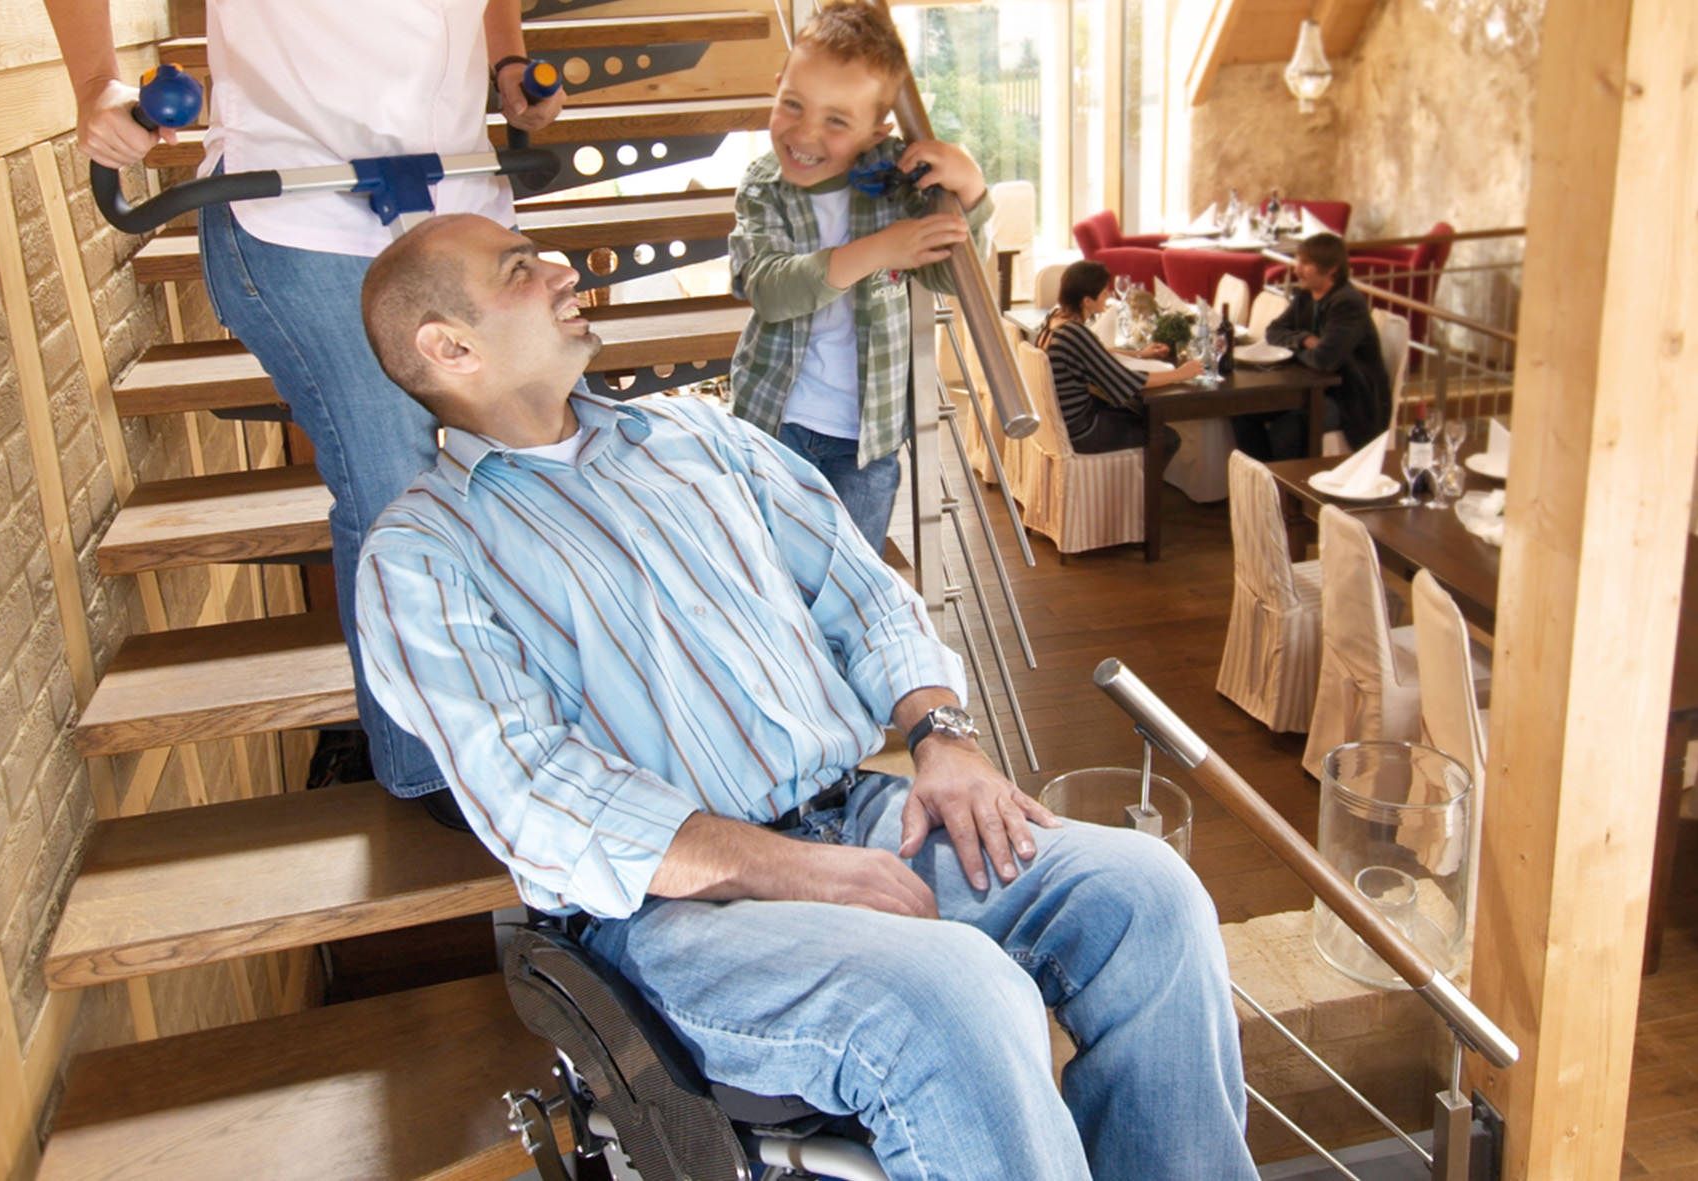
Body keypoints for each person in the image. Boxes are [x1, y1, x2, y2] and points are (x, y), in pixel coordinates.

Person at [351, 213, 1258, 1181]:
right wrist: (795, 870)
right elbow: (534, 795)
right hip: (679, 919)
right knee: (957, 994)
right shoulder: (423, 554)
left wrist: (940, 730)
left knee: (1148, 900)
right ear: (448, 346)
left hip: (865, 816)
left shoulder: (695, 434)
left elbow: (857, 586)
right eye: (520, 270)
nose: (565, 271)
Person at [42, 0, 566, 814]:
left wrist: (506, 64)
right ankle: (430, 767)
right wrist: (96, 82)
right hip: (297, 204)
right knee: (393, 475)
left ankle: (548, 713)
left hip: (456, 192)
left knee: (534, 463)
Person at [727, 1, 993, 553]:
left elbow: (950, 274)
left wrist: (971, 190)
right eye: (793, 105)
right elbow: (771, 290)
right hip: (774, 426)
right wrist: (880, 250)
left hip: (865, 445)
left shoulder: (898, 184)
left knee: (852, 585)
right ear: (778, 86)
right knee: (768, 579)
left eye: (837, 120)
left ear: (877, 131)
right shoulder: (763, 187)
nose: (805, 134)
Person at [1231, 232, 1390, 461]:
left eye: (1306, 264)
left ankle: (1290, 491)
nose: (1297, 269)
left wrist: (1296, 348)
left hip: (1347, 399)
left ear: (1332, 269)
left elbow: (1324, 360)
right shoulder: (1306, 296)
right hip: (1307, 388)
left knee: (1288, 428)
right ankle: (1265, 480)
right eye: (1299, 261)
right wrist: (1303, 339)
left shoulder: (1347, 304)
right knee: (1242, 412)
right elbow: (1274, 331)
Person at [1035, 260, 1200, 455]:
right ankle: (1138, 485)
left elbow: (1096, 351)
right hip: (1081, 430)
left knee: (1135, 413)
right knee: (1166, 438)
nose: (1108, 296)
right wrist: (1180, 374)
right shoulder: (1074, 333)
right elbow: (1127, 380)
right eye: (1104, 292)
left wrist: (1139, 353)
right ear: (1087, 301)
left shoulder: (1055, 319)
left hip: (1062, 422)